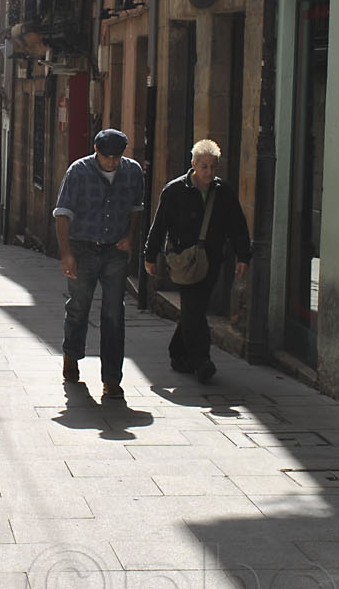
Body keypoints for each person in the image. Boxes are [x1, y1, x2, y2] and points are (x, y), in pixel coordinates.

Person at [143, 138, 251, 383]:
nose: (209, 172)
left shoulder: (223, 192)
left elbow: (237, 225)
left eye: (213, 167)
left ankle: (177, 352)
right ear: (193, 164)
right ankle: (201, 360)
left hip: (211, 261)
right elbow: (159, 225)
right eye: (204, 167)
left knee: (195, 309)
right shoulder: (175, 190)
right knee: (193, 307)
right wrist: (151, 255)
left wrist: (243, 255)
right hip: (183, 261)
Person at [53, 128, 146, 401]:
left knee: (113, 314)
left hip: (115, 250)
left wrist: (130, 238)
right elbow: (62, 214)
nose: (112, 163)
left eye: (116, 157)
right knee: (79, 306)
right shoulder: (78, 172)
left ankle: (112, 379)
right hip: (82, 248)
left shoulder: (133, 172)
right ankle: (71, 356)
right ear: (96, 150)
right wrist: (66, 253)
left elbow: (136, 209)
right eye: (107, 157)